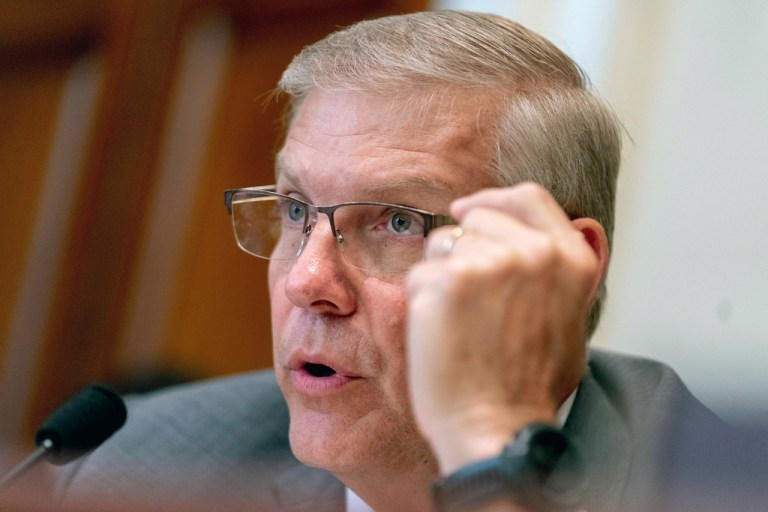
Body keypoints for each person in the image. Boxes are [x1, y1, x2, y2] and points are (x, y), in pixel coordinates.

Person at [51, 10, 731, 512]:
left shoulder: (712, 487)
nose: (307, 280)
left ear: (563, 269)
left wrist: (491, 455)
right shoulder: (150, 464)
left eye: (399, 222)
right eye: (295, 210)